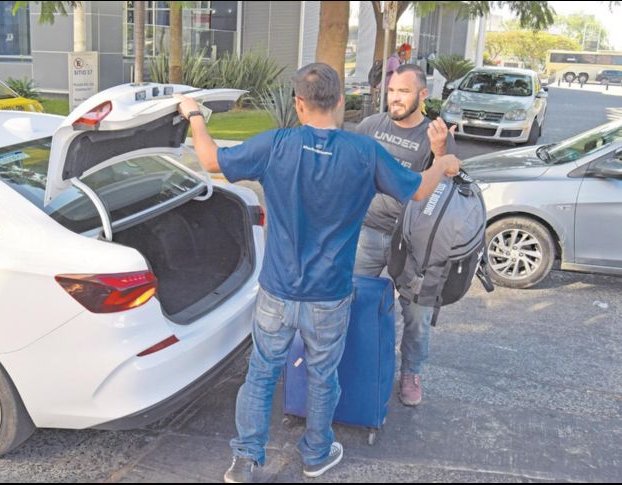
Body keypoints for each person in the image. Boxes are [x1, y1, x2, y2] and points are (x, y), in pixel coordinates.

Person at [177, 62, 461, 483]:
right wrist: (444, 162)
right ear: (341, 101)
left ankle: (246, 460)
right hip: (329, 294)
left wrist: (195, 115)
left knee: (261, 373)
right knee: (322, 375)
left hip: (277, 291)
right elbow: (419, 188)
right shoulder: (363, 153)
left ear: (298, 104)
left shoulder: (277, 144)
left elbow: (210, 159)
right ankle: (315, 454)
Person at [355, 63, 457, 408]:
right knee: (350, 300)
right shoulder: (370, 126)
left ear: (422, 95)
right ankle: (349, 362)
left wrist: (441, 152)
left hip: (413, 242)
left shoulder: (435, 134)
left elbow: (448, 183)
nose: (395, 99)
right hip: (367, 231)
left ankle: (411, 372)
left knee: (416, 314)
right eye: (392, 91)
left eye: (404, 92)